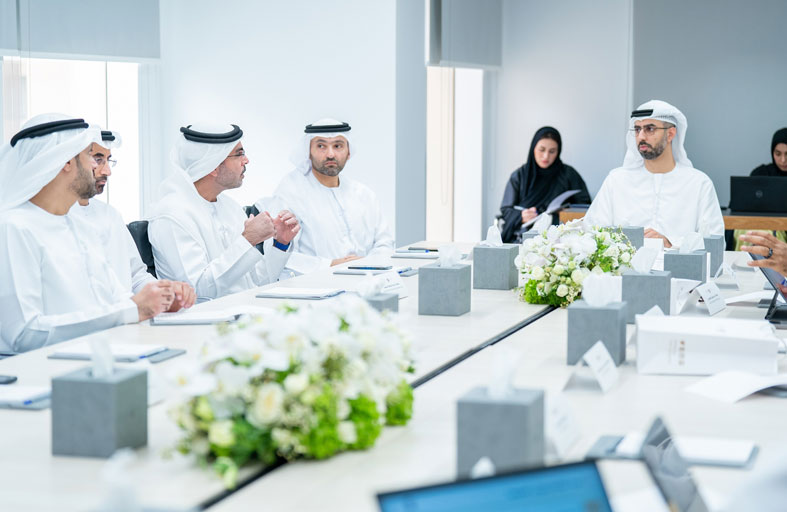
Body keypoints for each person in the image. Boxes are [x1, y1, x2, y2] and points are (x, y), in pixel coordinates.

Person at [0, 114, 176, 353]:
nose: (99, 168)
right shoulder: (13, 228)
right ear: (65, 161)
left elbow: (116, 301)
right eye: (90, 156)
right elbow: (24, 334)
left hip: (109, 355)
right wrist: (131, 310)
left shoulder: (81, 226)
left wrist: (160, 298)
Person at [149, 123, 300, 299]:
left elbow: (255, 284)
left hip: (244, 309)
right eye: (239, 154)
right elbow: (198, 292)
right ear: (213, 165)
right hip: (206, 316)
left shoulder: (230, 207)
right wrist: (248, 239)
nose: (246, 160)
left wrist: (280, 243)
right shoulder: (172, 216)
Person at [69, 130, 196, 306]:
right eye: (97, 160)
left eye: (108, 161)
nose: (107, 171)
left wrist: (166, 293)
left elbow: (136, 276)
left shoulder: (110, 215)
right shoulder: (54, 220)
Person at [584, 100, 724, 248]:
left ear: (670, 134)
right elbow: (591, 233)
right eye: (637, 129)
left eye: (650, 129)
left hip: (678, 263)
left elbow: (715, 243)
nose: (641, 137)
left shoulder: (699, 183)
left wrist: (670, 243)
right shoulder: (616, 180)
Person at [267, 118, 394, 275]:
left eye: (337, 146)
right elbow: (277, 254)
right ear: (308, 151)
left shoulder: (363, 194)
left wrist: (368, 265)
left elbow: (385, 242)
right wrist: (331, 265)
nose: (330, 154)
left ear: (348, 152)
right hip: (315, 284)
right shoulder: (290, 192)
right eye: (321, 146)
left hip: (368, 281)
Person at [499, 126, 591, 243]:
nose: (546, 156)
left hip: (561, 239)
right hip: (523, 238)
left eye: (552, 151)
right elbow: (506, 210)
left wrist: (566, 212)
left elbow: (585, 206)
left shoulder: (569, 174)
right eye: (541, 150)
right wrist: (521, 216)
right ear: (533, 148)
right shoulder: (520, 176)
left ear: (558, 151)